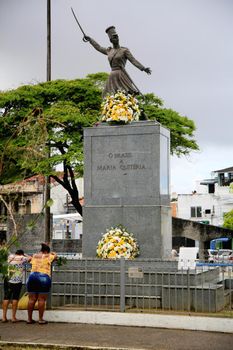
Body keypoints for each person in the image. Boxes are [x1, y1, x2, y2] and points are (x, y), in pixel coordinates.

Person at [84, 26, 151, 97]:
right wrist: (90, 40)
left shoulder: (124, 50)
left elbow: (133, 60)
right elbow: (99, 47)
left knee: (125, 93)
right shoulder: (109, 50)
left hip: (121, 74)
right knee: (107, 94)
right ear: (111, 40)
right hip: (112, 75)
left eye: (117, 36)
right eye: (114, 37)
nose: (116, 38)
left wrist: (143, 68)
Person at [26, 243, 57, 324]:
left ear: (41, 250)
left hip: (32, 276)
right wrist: (53, 253)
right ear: (47, 251)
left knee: (31, 299)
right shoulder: (49, 256)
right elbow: (56, 257)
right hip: (43, 277)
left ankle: (29, 319)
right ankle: (40, 319)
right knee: (41, 299)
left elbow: (29, 260)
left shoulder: (35, 256)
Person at [2, 249, 31, 323]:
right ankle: (13, 317)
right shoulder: (23, 258)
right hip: (17, 281)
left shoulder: (10, 256)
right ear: (22, 254)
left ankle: (4, 317)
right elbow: (30, 258)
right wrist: (25, 255)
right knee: (15, 298)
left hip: (8, 279)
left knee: (6, 297)